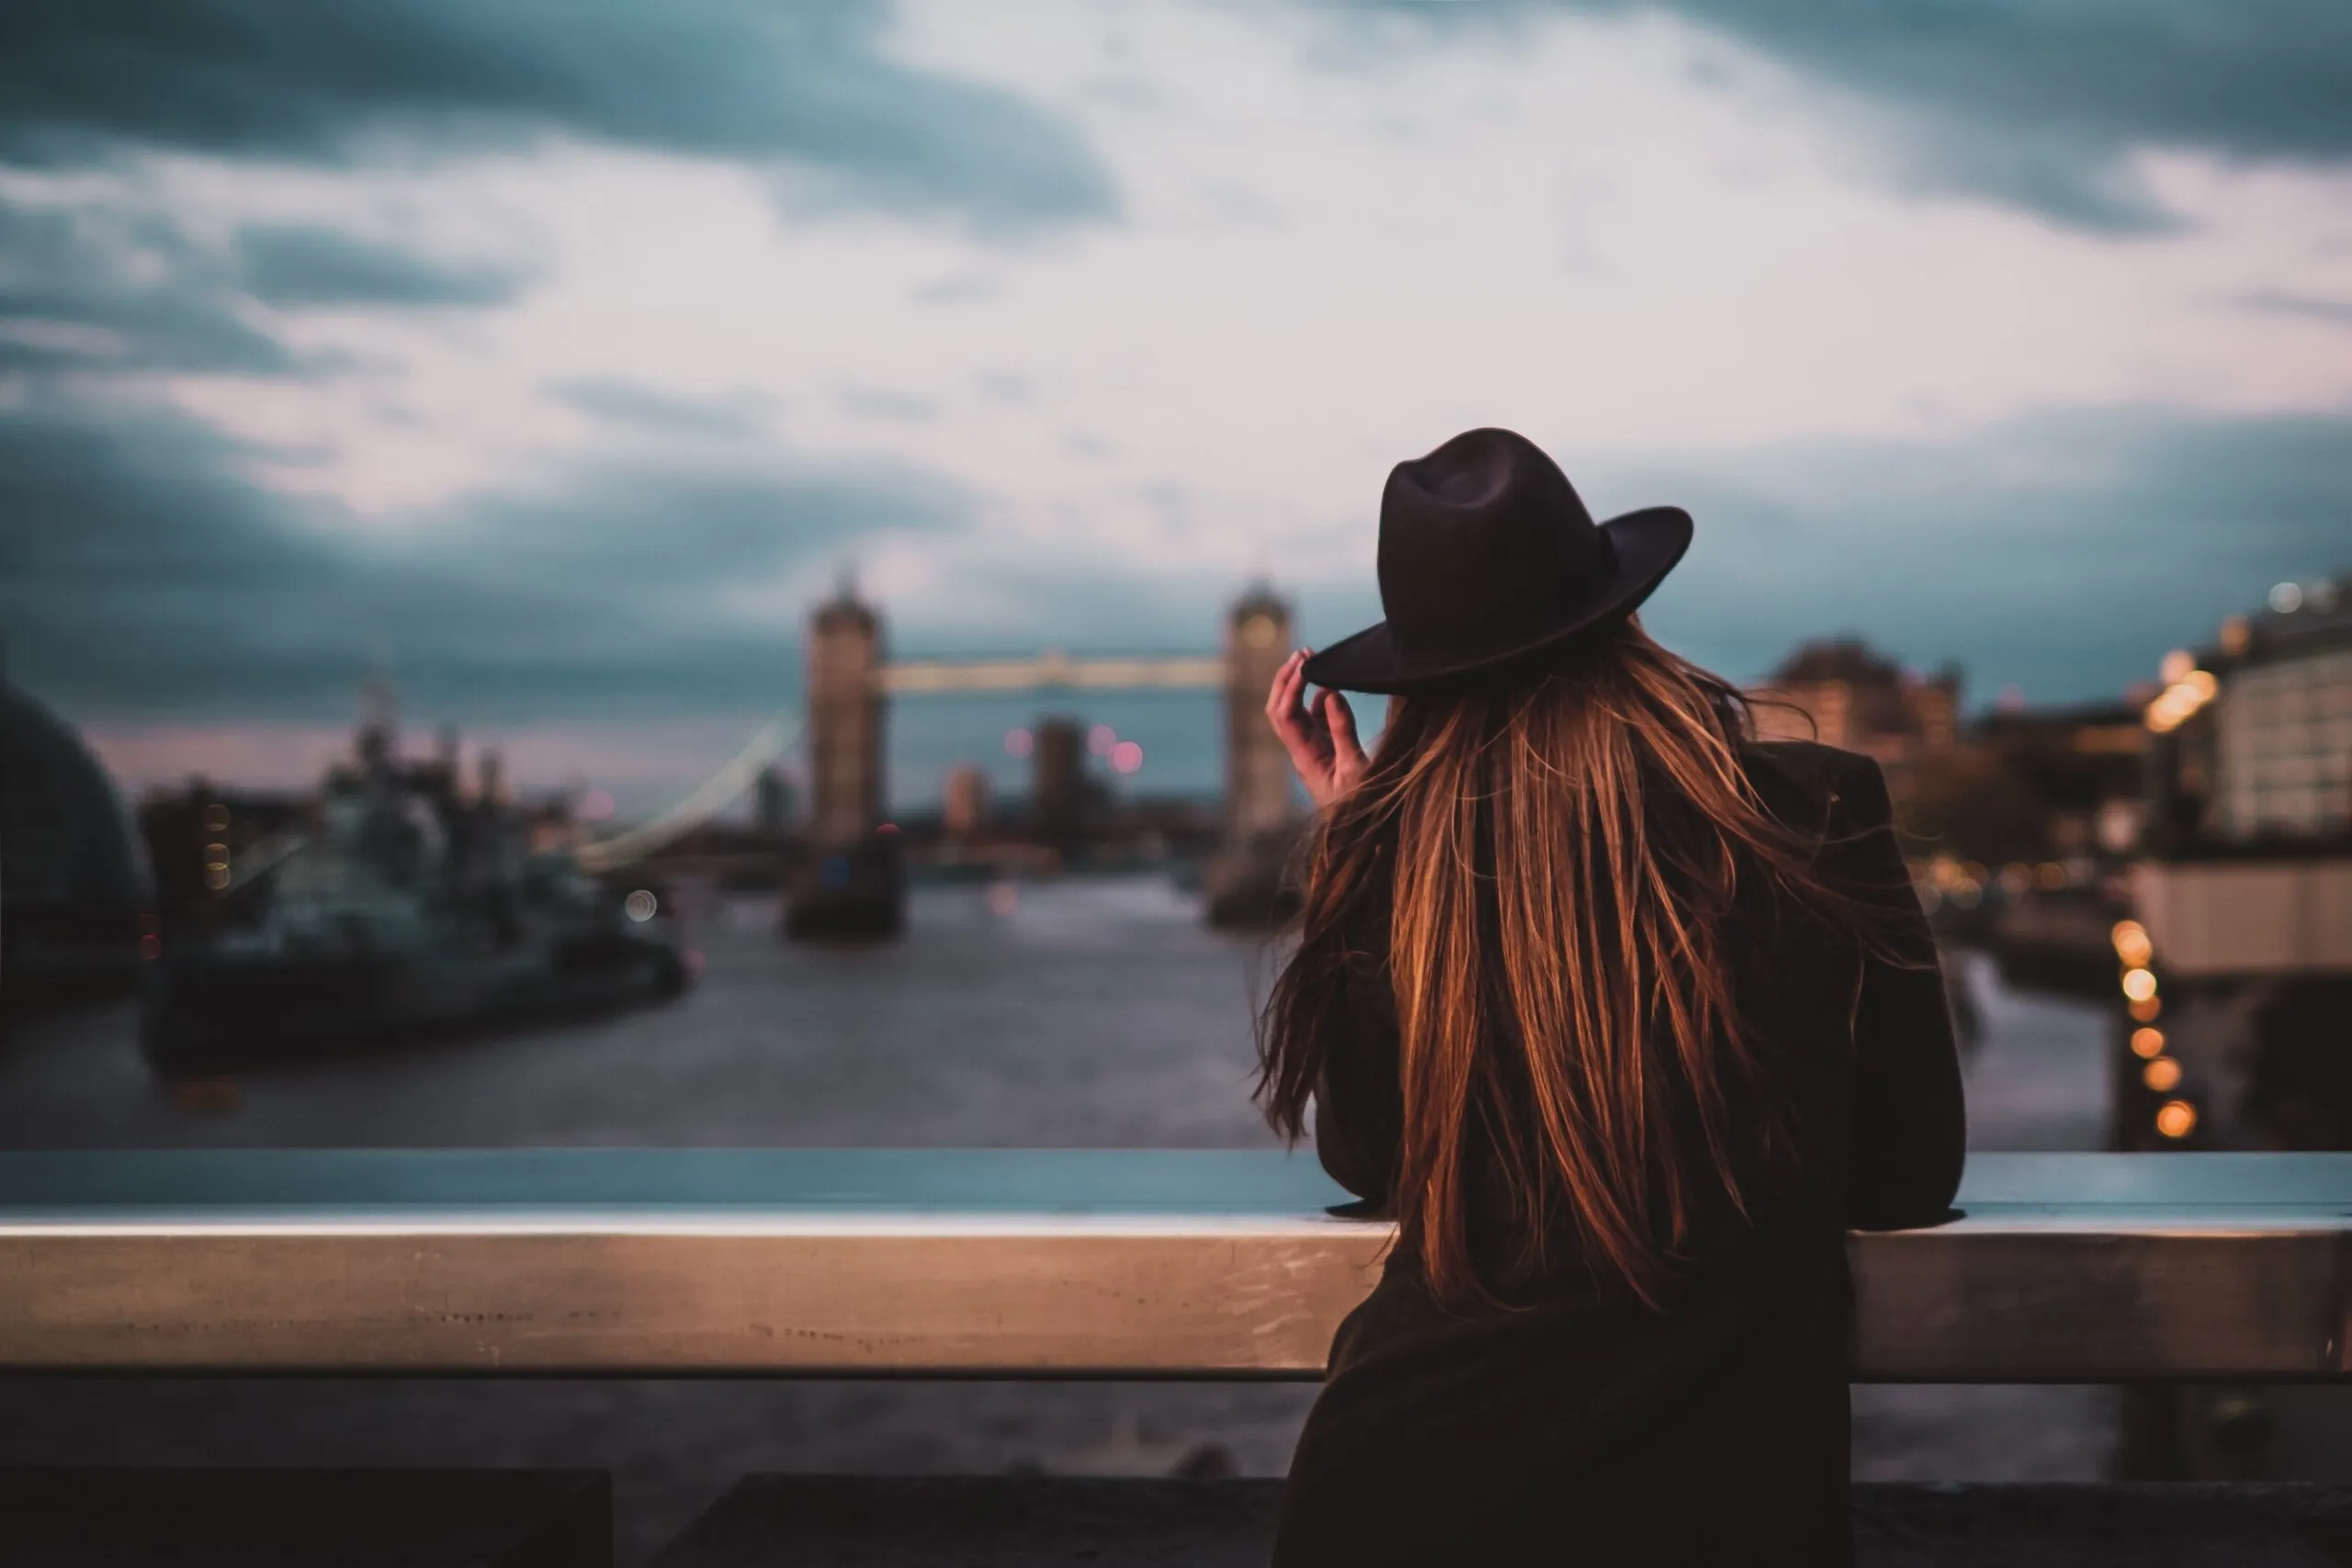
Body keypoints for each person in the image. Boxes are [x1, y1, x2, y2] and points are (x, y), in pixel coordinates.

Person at [1258, 428, 1965, 1567]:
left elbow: (1375, 1157)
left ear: (1420, 690)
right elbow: (1906, 1170)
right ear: (1625, 619)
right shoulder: (1813, 810)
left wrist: (1353, 831)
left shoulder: (1406, 860)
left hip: (1395, 1498)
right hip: (1720, 1512)